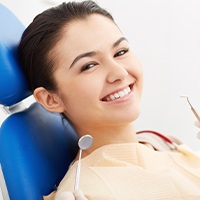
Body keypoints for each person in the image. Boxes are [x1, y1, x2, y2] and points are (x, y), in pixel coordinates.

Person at [18, 1, 200, 200]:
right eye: (88, 66)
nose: (119, 73)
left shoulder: (159, 142)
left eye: (120, 52)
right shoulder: (89, 192)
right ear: (51, 99)